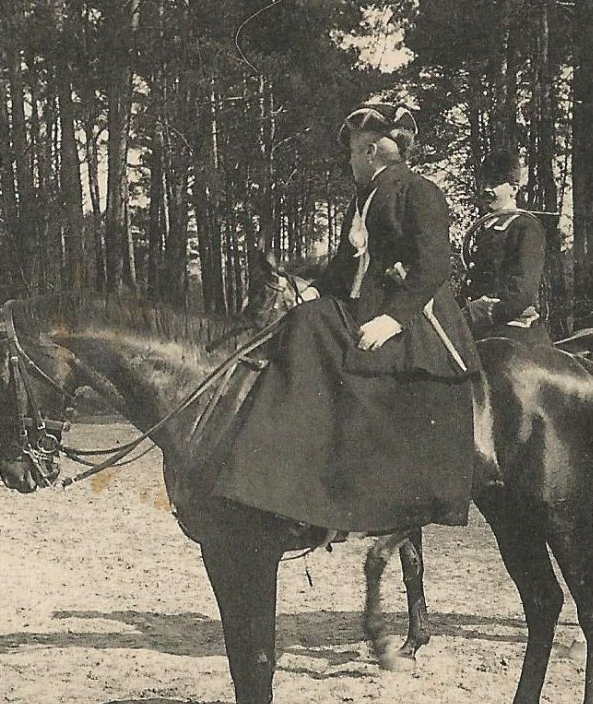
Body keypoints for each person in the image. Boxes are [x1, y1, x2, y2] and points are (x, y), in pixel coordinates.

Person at [210, 102, 481, 533]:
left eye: (353, 152)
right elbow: (343, 267)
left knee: (307, 328)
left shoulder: (418, 190)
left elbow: (434, 266)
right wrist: (311, 293)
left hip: (416, 323)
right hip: (363, 311)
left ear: (371, 150)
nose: (349, 160)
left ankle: (283, 477)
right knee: (301, 319)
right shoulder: (364, 198)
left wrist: (391, 320)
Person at [460, 150, 550, 345]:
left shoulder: (524, 226)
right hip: (482, 326)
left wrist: (483, 311)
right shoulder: (485, 228)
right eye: (484, 183)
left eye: (494, 183)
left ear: (514, 189)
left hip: (513, 326)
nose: (486, 189)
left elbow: (522, 292)